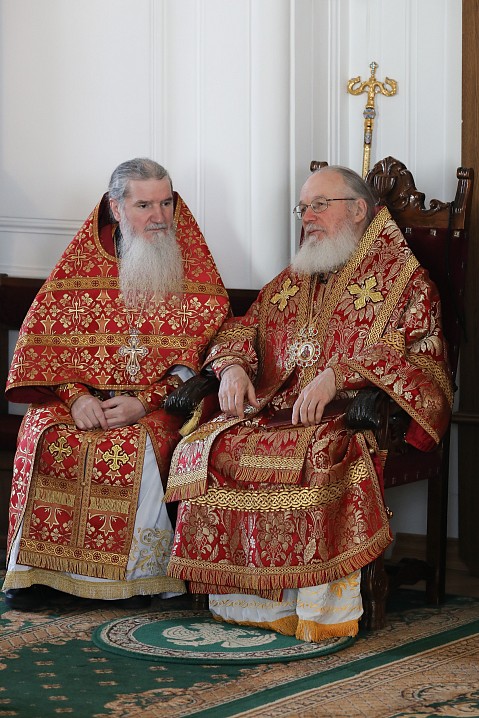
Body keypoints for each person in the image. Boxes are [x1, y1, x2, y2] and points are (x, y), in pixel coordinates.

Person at [164, 165, 453, 642]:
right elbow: (242, 326)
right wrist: (232, 367)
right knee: (211, 444)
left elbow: (425, 364)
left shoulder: (407, 284)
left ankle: (317, 607)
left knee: (321, 453)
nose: (308, 217)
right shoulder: (294, 278)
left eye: (320, 205)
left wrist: (340, 376)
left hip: (348, 417)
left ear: (358, 210)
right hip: (277, 408)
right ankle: (245, 600)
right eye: (303, 208)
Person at [3, 158, 230, 611]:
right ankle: (39, 574)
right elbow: (45, 342)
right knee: (44, 433)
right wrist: (76, 397)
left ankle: (136, 579)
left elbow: (204, 356)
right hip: (81, 399)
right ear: (115, 206)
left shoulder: (193, 268)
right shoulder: (81, 263)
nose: (159, 216)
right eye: (145, 205)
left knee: (132, 445)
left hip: (159, 405)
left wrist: (143, 402)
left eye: (166, 203)